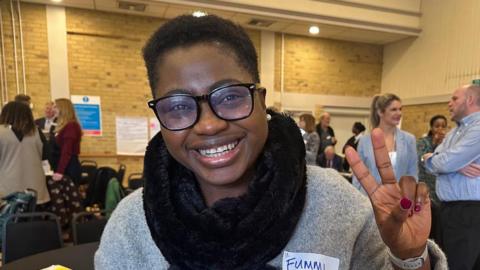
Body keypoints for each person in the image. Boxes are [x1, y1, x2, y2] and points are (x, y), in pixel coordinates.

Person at [95, 15, 446, 269]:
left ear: (261, 101)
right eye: (178, 106)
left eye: (230, 97)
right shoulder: (132, 226)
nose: (209, 125)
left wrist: (409, 258)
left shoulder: (337, 204)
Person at [422, 84, 480, 270]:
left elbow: (444, 162)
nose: (449, 103)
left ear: (470, 100)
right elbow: (430, 159)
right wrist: (448, 163)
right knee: (444, 264)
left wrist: (447, 164)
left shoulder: (477, 129)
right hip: (448, 210)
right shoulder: (454, 132)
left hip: (468, 212)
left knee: (458, 265)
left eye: (454, 98)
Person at [353, 93, 418, 194]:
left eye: (400, 109)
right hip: (370, 201)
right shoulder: (364, 141)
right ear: (380, 112)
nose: (399, 113)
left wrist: (408, 200)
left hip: (399, 201)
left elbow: (413, 174)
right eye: (394, 109)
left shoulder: (409, 139)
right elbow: (358, 175)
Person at [0, 101, 50, 206]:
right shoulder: (37, 132)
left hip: (7, 188)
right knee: (35, 220)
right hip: (35, 187)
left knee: (8, 220)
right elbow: (46, 156)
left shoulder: (1, 132)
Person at [47, 98, 83, 232]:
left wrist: (60, 172)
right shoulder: (60, 125)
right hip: (62, 167)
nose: (53, 109)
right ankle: (68, 230)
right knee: (64, 201)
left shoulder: (71, 126)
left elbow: (66, 152)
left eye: (56, 107)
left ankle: (76, 231)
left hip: (69, 167)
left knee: (71, 201)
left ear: (63, 108)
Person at [417, 115, 447, 203]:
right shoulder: (422, 141)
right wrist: (434, 143)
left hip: (442, 186)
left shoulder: (448, 143)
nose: (440, 129)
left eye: (443, 126)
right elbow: (420, 159)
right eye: (437, 126)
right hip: (425, 183)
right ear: (431, 127)